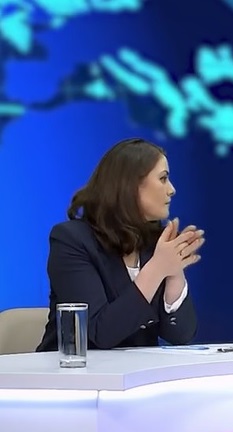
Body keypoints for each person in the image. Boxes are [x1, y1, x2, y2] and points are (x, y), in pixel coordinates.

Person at [36, 138, 204, 351]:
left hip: (135, 371)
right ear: (130, 185)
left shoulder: (156, 242)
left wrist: (174, 272)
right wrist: (157, 269)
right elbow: (101, 333)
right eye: (163, 179)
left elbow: (180, 335)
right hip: (73, 369)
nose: (172, 190)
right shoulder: (72, 240)